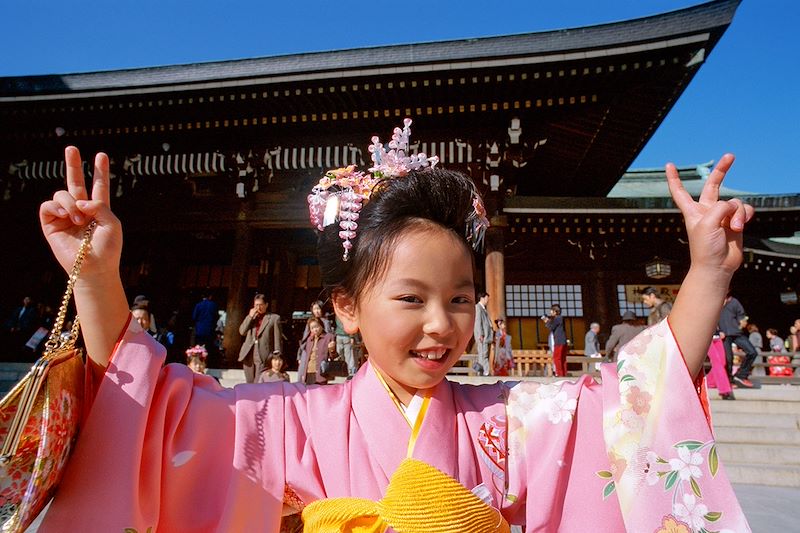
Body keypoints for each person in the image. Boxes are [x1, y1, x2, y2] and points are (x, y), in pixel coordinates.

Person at [37, 130, 751, 531]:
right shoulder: (285, 420)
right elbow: (160, 413)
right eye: (412, 298)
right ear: (346, 305)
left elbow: (628, 403)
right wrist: (99, 279)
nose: (442, 324)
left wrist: (707, 275)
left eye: (462, 298)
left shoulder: (507, 418)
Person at [238, 293, 282, 383]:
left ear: (266, 305)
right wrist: (250, 317)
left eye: (261, 305)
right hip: (249, 353)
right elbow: (242, 331)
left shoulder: (274, 318)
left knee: (259, 382)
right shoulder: (251, 318)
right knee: (249, 382)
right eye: (256, 305)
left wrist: (277, 356)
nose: (258, 307)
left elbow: (277, 340)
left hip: (263, 354)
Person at [718, 293, 758, 388]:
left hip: (736, 333)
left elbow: (741, 315)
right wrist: (717, 331)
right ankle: (729, 380)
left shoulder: (734, 301)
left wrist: (742, 322)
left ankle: (741, 375)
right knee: (728, 358)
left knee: (752, 352)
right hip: (724, 334)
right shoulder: (716, 301)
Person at [297, 317, 334, 384]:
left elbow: (334, 356)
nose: (315, 330)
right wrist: (304, 374)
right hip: (309, 371)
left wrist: (332, 349)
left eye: (316, 327)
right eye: (312, 328)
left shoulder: (328, 337)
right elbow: (308, 358)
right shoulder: (309, 339)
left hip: (321, 372)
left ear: (321, 326)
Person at [542, 304, 567, 377]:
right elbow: (553, 325)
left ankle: (559, 374)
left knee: (557, 358)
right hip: (563, 341)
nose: (550, 312)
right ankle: (563, 373)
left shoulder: (557, 318)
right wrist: (548, 321)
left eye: (552, 311)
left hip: (559, 341)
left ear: (555, 312)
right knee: (562, 358)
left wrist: (546, 321)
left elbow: (551, 327)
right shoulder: (560, 318)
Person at [473, 291, 492, 376]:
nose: (487, 300)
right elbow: (478, 322)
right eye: (487, 298)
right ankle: (485, 371)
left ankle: (483, 371)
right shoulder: (478, 307)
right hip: (482, 336)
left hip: (485, 336)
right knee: (483, 353)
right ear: (482, 298)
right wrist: (480, 334)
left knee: (484, 353)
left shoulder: (483, 309)